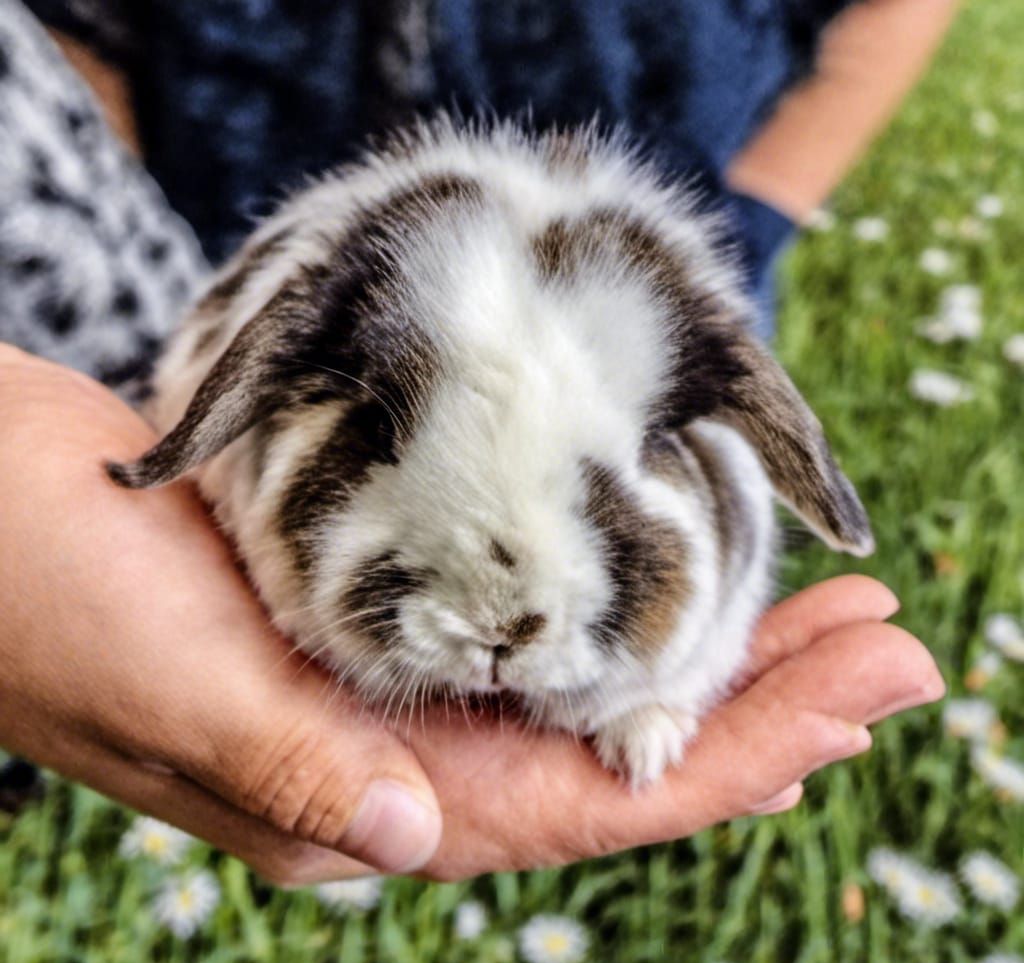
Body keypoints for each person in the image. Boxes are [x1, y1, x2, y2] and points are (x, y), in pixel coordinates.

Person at [0, 0, 954, 884]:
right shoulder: (280, 333)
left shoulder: (686, 357)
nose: (506, 625)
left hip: (683, 169)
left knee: (667, 648)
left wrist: (762, 209)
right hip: (194, 178)